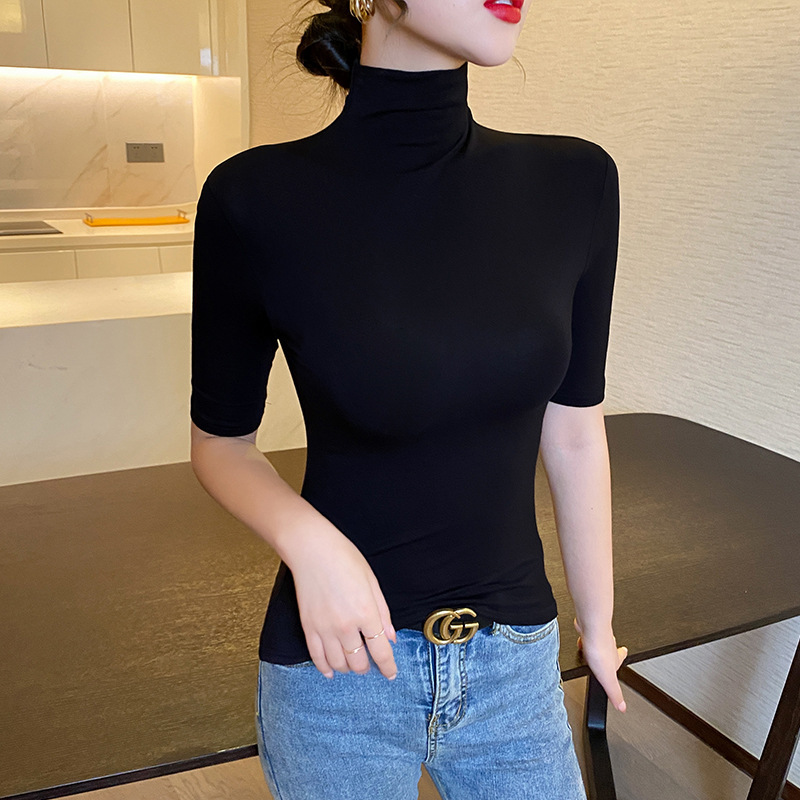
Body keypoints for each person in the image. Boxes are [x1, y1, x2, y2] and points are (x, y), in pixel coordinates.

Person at [189, 0, 629, 797]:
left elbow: (573, 428)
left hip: (513, 663)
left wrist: (596, 624)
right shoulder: (253, 198)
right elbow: (221, 444)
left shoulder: (577, 183)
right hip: (338, 670)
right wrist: (310, 544)